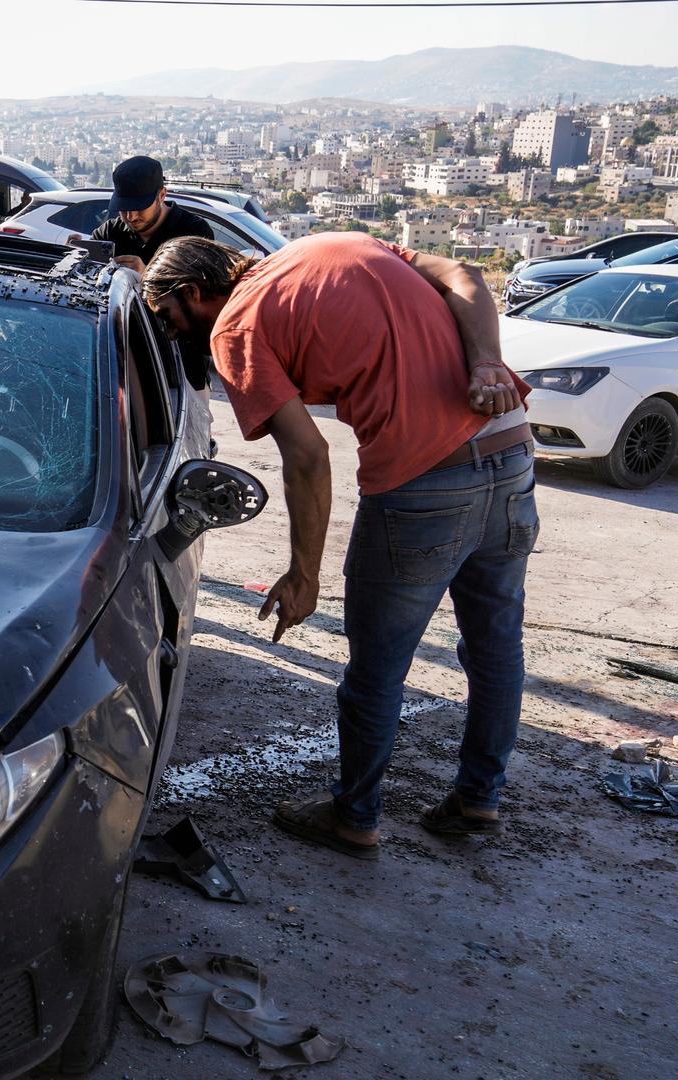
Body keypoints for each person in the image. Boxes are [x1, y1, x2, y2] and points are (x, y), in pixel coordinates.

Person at [141, 233, 532, 862]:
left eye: (168, 318)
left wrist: (303, 574)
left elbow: (307, 454)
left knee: (377, 668)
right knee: (495, 646)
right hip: (511, 452)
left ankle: (355, 817)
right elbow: (464, 271)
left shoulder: (233, 327)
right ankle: (478, 800)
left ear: (192, 293)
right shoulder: (330, 244)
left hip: (421, 482)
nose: (171, 333)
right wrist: (487, 360)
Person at [92, 155, 213, 275]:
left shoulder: (195, 233)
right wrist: (75, 254)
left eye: (139, 207)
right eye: (123, 208)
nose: (131, 217)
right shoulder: (109, 232)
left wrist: (147, 276)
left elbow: (202, 289)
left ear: (162, 196)